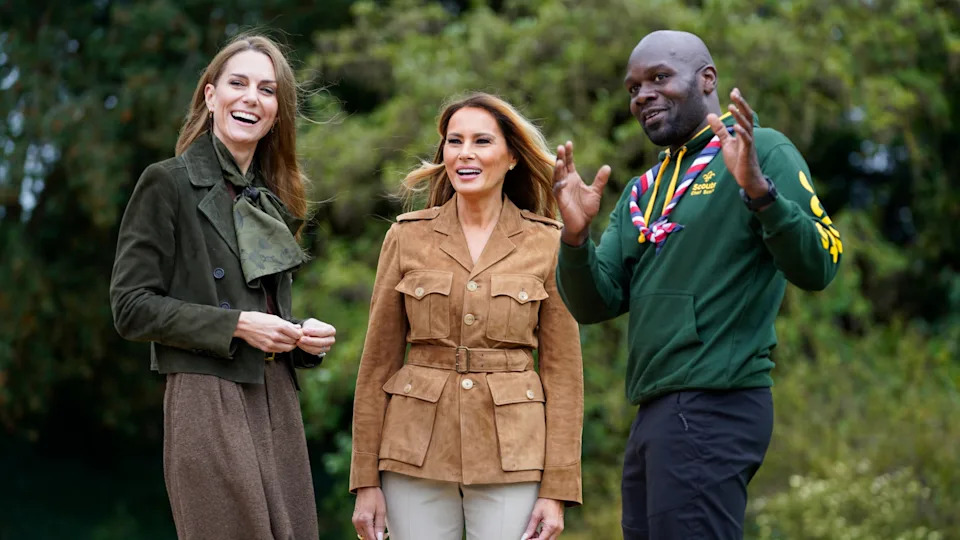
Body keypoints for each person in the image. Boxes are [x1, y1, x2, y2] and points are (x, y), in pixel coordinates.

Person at [552, 30, 842, 539]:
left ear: (706, 80)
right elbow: (595, 303)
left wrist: (760, 193)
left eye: (660, 77)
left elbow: (820, 263)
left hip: (714, 402)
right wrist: (576, 241)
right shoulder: (644, 189)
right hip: (655, 412)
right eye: (633, 87)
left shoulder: (761, 150)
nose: (642, 94)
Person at [110, 34, 336, 539]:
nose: (251, 98)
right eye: (238, 83)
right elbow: (130, 308)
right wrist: (235, 325)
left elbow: (262, 312)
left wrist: (300, 336)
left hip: (277, 397)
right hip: (206, 395)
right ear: (211, 96)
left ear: (277, 112)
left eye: (266, 89)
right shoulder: (164, 183)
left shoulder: (275, 198)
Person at [350, 93, 584, 540]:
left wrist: (556, 488)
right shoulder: (406, 237)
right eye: (454, 142)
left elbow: (563, 376)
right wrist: (365, 480)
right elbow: (376, 363)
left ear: (512, 157)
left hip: (513, 454)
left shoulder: (548, 242)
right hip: (411, 450)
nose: (465, 153)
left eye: (481, 141)